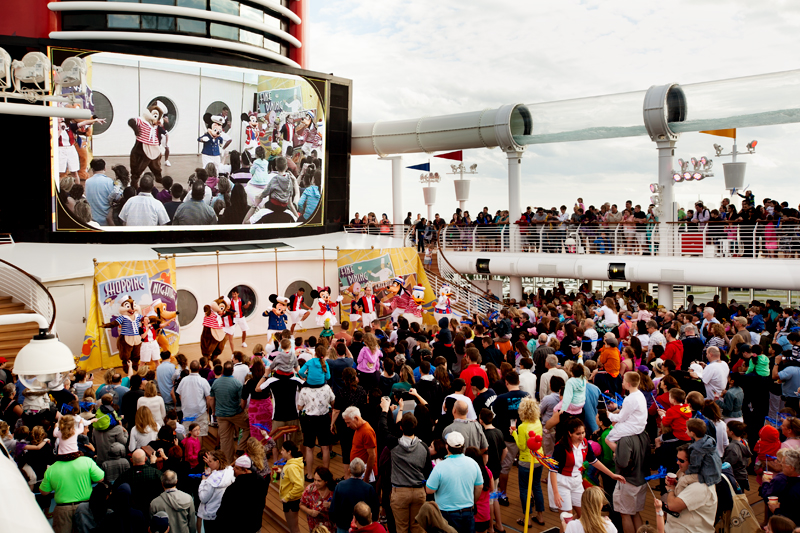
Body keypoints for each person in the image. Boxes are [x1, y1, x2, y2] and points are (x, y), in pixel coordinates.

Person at [425, 431, 484, 532]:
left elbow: (429, 490)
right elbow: (479, 487)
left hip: (446, 514)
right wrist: (473, 501)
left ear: (447, 447)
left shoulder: (440, 467)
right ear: (463, 446)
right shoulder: (473, 463)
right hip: (468, 512)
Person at [39, 452, 105, 533]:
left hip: (63, 510)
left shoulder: (52, 468)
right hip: (85, 507)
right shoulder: (87, 461)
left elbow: (44, 492)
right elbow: (100, 478)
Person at [491, 370, 529, 506]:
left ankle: (503, 495)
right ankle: (529, 495)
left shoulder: (500, 398)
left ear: (506, 382)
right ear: (519, 382)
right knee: (526, 466)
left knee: (505, 467)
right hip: (525, 436)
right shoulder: (527, 396)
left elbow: (494, 413)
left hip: (508, 437)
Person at [661, 444, 718, 533]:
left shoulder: (700, 486)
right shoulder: (688, 477)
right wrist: (675, 485)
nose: (677, 462)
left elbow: (673, 506)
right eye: (677, 459)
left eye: (681, 460)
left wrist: (671, 489)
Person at [512, 396, 545, 527]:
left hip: (526, 461)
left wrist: (514, 433)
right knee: (536, 486)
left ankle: (528, 519)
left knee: (525, 489)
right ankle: (540, 516)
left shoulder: (522, 427)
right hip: (539, 458)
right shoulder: (538, 422)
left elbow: (522, 446)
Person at [216, 455, 269, 533]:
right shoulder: (261, 481)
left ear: (245, 471)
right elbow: (261, 503)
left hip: (238, 528)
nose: (233, 469)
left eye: (237, 468)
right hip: (255, 525)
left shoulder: (234, 488)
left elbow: (224, 511)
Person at [210, 361, 250, 462]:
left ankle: (227, 463)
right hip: (236, 413)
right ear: (232, 371)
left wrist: (213, 411)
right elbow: (242, 400)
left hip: (221, 415)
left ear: (223, 370)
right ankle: (240, 447)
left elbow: (211, 399)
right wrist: (242, 409)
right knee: (249, 427)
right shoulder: (237, 383)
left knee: (225, 440)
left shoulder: (216, 383)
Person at [297, 375, 336, 479]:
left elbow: (299, 406)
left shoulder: (304, 389)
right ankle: (325, 475)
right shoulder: (326, 388)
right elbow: (333, 401)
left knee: (309, 448)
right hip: (324, 418)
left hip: (309, 420)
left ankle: (309, 475)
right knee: (325, 447)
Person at [330, 458, 379, 533]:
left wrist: (335, 520)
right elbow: (375, 510)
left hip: (343, 526)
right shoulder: (369, 489)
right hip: (362, 527)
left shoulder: (340, 486)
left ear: (349, 470)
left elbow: (333, 508)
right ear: (364, 471)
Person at [605, 372, 648, 452]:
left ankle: (620, 455)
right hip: (640, 424)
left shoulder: (630, 399)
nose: (622, 383)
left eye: (623, 381)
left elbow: (621, 418)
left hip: (633, 426)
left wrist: (609, 415)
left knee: (608, 439)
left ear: (628, 384)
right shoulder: (640, 394)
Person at [113, 449, 163, 516]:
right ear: (145, 459)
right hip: (152, 511)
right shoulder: (156, 474)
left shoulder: (124, 477)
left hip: (131, 514)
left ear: (131, 460)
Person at [197, 450, 234, 533]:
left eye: (210, 461)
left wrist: (203, 481)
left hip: (211, 515)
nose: (208, 464)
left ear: (217, 461)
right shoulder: (230, 471)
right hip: (224, 513)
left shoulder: (211, 480)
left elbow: (203, 498)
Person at [343, 406, 378, 481]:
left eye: (348, 423)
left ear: (356, 418)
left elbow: (372, 456)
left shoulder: (367, 431)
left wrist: (367, 477)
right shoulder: (357, 428)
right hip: (357, 472)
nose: (347, 426)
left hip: (364, 474)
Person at [299, 466, 335, 532]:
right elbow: (301, 504)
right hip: (314, 526)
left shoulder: (334, 489)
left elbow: (342, 505)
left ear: (326, 481)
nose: (315, 483)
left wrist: (331, 505)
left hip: (331, 526)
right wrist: (310, 511)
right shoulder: (310, 489)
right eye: (314, 479)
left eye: (319, 481)